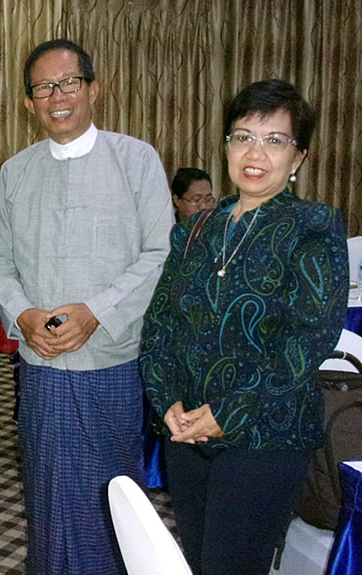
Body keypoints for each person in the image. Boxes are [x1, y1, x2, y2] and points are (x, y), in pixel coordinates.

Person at [0, 39, 174, 574]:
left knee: (112, 497)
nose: (57, 96)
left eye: (68, 83)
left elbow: (160, 253)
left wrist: (97, 311)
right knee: (47, 494)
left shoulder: (136, 159)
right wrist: (22, 314)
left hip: (111, 362)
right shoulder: (15, 173)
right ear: (28, 103)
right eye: (44, 87)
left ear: (93, 88)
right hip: (41, 366)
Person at [139, 79, 348, 575]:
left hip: (264, 438)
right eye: (242, 136)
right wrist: (167, 398)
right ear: (226, 146)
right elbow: (159, 325)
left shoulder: (313, 226)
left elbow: (309, 340)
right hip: (187, 432)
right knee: (197, 558)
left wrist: (228, 412)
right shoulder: (195, 229)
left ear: (298, 157)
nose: (255, 152)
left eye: (275, 140)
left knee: (230, 566)